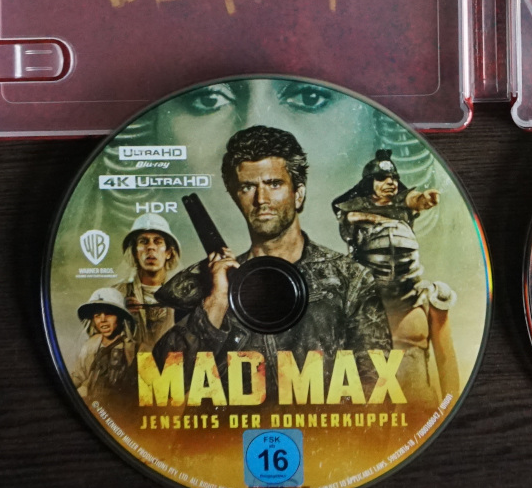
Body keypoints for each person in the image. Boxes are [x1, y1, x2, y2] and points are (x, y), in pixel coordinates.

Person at [155, 126, 391, 391]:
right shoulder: (204, 284)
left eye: (274, 184)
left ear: (298, 194)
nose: (261, 199)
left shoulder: (350, 280)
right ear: (236, 197)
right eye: (247, 187)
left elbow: (376, 389)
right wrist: (217, 301)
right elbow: (158, 384)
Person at [332, 150, 459, 407]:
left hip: (418, 413)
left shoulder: (430, 300)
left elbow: (448, 368)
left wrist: (422, 199)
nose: (389, 183)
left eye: (393, 178)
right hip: (363, 418)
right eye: (382, 178)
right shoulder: (342, 305)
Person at [113, 213, 180, 350]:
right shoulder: (116, 294)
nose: (151, 247)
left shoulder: (183, 295)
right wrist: (121, 316)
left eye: (158, 241)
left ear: (168, 252)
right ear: (135, 252)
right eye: (143, 241)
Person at [71, 287, 137, 405]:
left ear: (120, 317)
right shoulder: (89, 347)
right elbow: (77, 377)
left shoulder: (136, 350)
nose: (103, 320)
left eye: (109, 314)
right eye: (97, 315)